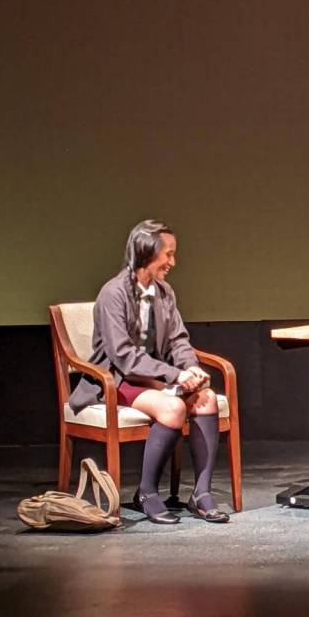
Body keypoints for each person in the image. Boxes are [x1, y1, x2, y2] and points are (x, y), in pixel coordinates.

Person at [69, 220, 229, 525]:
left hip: (157, 375)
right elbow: (123, 357)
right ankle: (146, 493)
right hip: (117, 378)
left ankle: (201, 494)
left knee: (206, 398)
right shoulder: (112, 293)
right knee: (172, 408)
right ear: (145, 253)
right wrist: (174, 375)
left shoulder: (165, 293)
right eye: (167, 254)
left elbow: (177, 340)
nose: (172, 262)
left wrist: (190, 367)